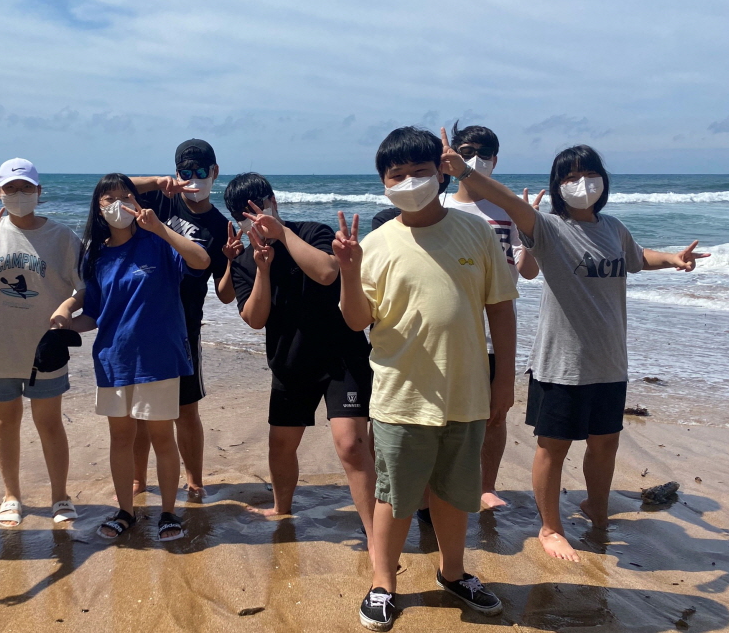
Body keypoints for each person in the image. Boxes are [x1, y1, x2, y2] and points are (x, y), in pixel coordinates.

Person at [437, 131, 709, 563]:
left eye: (590, 174)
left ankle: (596, 508)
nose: (582, 183)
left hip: (609, 362)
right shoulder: (547, 228)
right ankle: (550, 528)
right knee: (554, 447)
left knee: (605, 444)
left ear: (603, 180)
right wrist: (465, 172)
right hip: (561, 364)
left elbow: (638, 257)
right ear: (558, 185)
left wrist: (674, 258)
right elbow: (506, 201)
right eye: (571, 177)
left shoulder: (613, 228)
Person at [339, 127, 518, 630]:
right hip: (401, 396)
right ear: (383, 183)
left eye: (419, 171)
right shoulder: (375, 244)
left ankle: (453, 572)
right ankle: (383, 583)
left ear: (441, 172)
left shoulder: (476, 232)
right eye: (396, 175)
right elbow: (356, 320)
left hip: (465, 391)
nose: (409, 182)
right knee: (395, 496)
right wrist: (349, 271)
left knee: (454, 493)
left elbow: (501, 309)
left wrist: (503, 380)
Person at [374, 123, 540, 514]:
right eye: (467, 152)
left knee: (492, 416)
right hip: (442, 338)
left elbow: (526, 273)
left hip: (492, 328)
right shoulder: (439, 207)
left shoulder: (509, 209)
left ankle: (485, 486)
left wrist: (531, 228)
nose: (475, 159)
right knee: (433, 419)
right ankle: (430, 495)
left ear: (496, 159)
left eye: (484, 153)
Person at [224, 173, 379, 551]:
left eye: (259, 207)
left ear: (273, 201)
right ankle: (281, 506)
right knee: (280, 446)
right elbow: (254, 318)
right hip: (290, 362)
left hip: (342, 357)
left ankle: (376, 533)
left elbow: (327, 272)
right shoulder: (243, 258)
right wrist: (262, 268)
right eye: (244, 214)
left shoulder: (311, 231)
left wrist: (282, 234)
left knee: (351, 444)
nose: (255, 217)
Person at [51, 173, 209, 540]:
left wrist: (160, 229)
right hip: (113, 360)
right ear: (99, 207)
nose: (118, 204)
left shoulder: (158, 242)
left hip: (159, 358)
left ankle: (168, 513)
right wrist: (65, 322)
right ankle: (125, 511)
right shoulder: (96, 256)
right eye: (110, 199)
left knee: (162, 438)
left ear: (138, 202)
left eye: (126, 196)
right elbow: (94, 313)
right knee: (120, 439)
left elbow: (201, 261)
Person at [0, 158, 83, 528]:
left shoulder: (62, 237)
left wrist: (66, 309)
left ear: (38, 191)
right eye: (11, 188)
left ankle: (60, 496)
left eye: (26, 187)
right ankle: (11, 496)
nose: (18, 194)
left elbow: (85, 288)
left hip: (44, 349)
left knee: (49, 423)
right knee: (5, 421)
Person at [126, 139, 243, 498]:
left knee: (185, 410)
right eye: (185, 172)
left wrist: (232, 262)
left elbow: (225, 294)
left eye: (201, 171)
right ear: (175, 173)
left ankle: (194, 482)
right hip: (143, 319)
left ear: (215, 172)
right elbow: (112, 190)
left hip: (183, 326)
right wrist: (158, 182)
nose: (194, 178)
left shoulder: (219, 226)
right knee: (141, 411)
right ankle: (137, 480)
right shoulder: (160, 200)